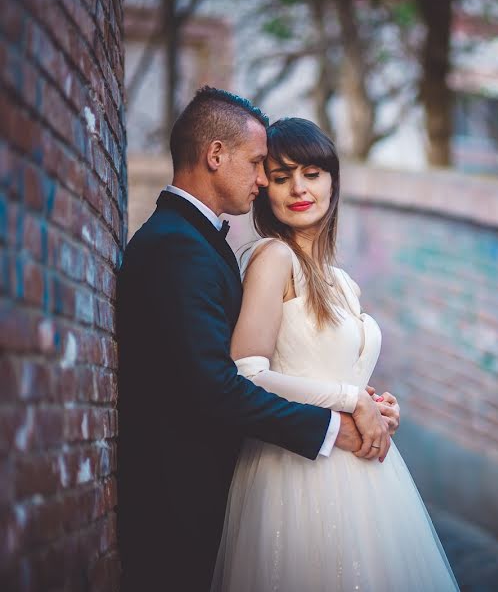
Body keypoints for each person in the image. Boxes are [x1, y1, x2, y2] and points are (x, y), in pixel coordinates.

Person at [117, 87, 379, 591]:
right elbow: (218, 385)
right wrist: (336, 421)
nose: (265, 180)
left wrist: (370, 403)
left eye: (310, 173)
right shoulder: (178, 247)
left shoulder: (197, 241)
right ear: (216, 155)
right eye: (263, 165)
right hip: (185, 500)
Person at [210, 117, 459, 591]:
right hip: (295, 471)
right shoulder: (272, 259)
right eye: (281, 178)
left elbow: (321, 367)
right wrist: (351, 399)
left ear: (332, 181)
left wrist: (376, 406)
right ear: (264, 190)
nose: (298, 189)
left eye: (311, 174)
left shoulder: (340, 280)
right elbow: (247, 374)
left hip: (363, 476)